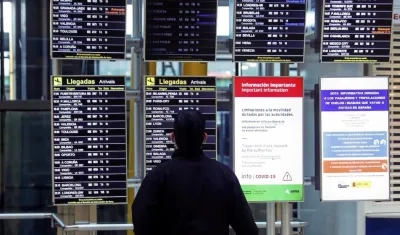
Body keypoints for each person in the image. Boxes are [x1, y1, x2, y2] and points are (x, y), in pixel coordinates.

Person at [132, 110, 258, 235]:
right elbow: (248, 229)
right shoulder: (225, 176)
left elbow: (140, 220)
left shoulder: (157, 177)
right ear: (204, 137)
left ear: (172, 137)